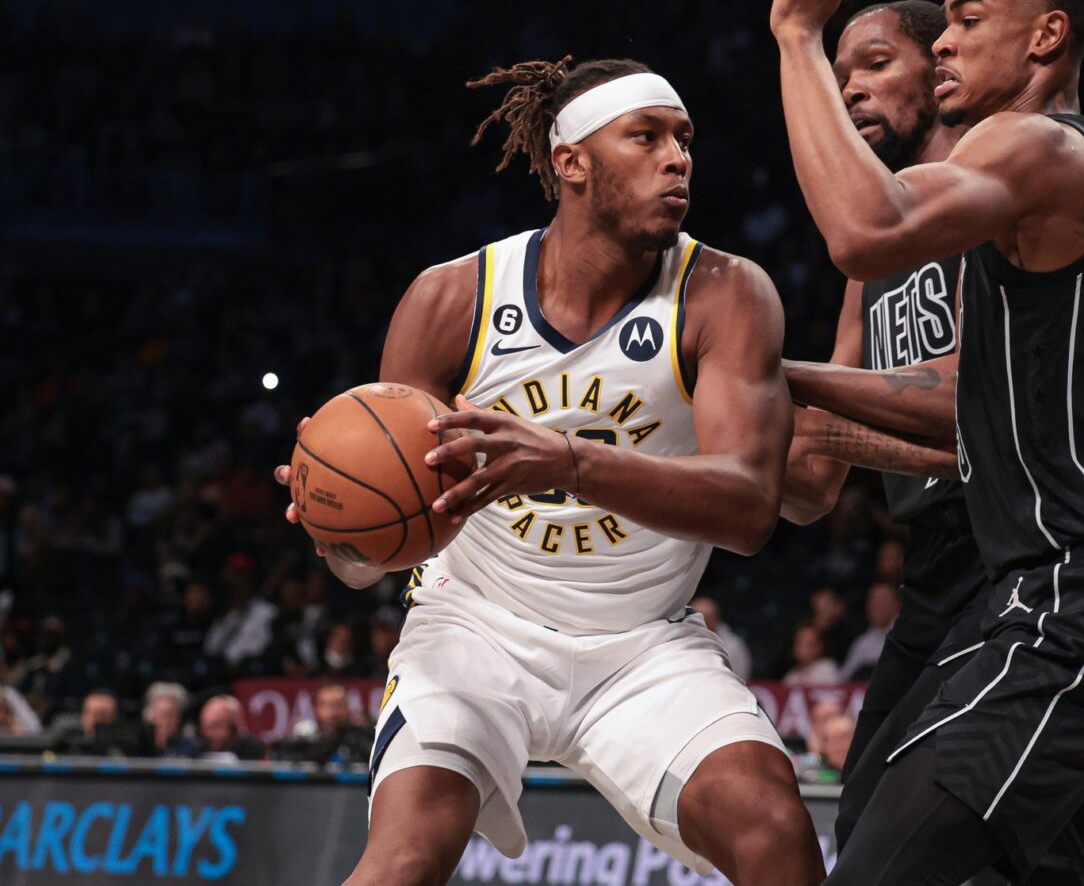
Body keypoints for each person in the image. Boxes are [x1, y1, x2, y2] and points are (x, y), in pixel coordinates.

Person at [275, 57, 821, 886]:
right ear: (571, 162)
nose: (678, 158)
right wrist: (339, 533)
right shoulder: (451, 300)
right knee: (404, 860)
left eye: (683, 139)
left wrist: (567, 461)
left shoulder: (725, 293)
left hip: (643, 643)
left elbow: (749, 509)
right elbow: (377, 557)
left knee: (777, 836)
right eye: (646, 137)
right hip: (475, 626)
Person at [771, 0, 1084, 884]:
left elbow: (863, 230)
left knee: (878, 864)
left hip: (1081, 586)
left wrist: (796, 33)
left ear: (1047, 36)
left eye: (967, 20)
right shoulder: (1053, 164)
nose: (944, 44)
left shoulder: (1038, 145)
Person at [774, 0, 992, 821]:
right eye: (839, 78)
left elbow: (976, 411)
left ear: (940, 71)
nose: (850, 92)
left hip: (1018, 546)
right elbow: (813, 484)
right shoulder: (867, 266)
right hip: (930, 563)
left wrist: (775, 376)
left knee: (928, 833)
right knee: (863, 810)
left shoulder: (993, 186)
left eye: (873, 64)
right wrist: (681, 421)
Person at [194, 694, 266, 761]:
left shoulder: (253, 750)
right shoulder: (195, 749)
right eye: (205, 727)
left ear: (234, 727)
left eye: (216, 726)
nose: (208, 733)